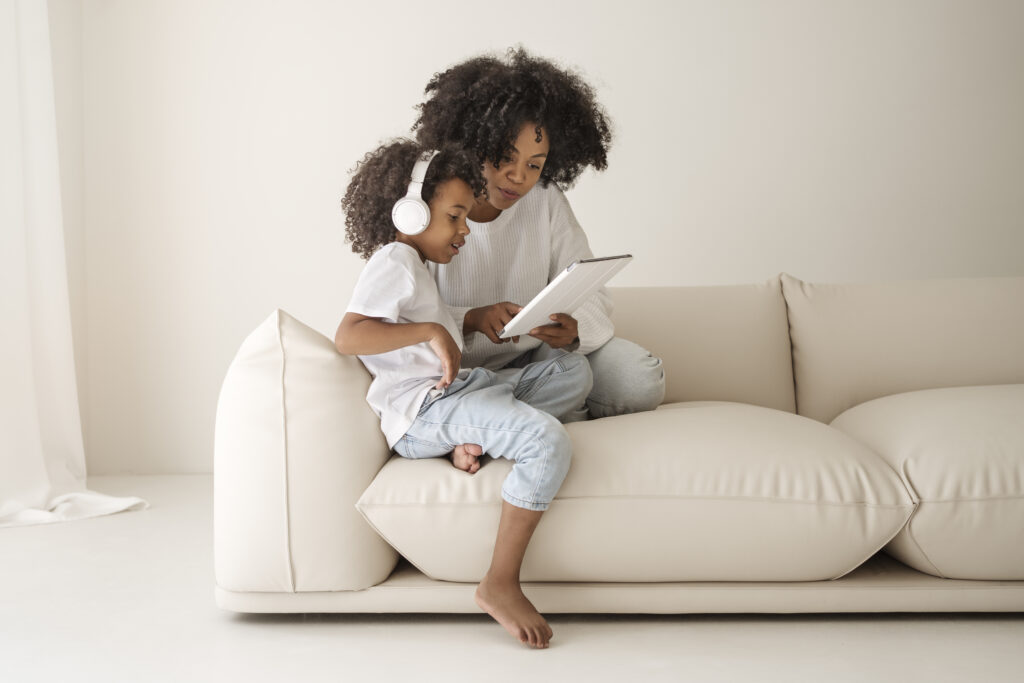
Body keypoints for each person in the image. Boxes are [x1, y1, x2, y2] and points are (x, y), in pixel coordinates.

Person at [335, 140, 592, 649]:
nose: (464, 230)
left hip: (455, 396)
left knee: (572, 371)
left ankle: (470, 439)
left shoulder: (412, 265)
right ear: (410, 213)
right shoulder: (393, 259)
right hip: (424, 409)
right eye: (455, 216)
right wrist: (430, 332)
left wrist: (468, 320)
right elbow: (349, 335)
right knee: (547, 442)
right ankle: (499, 581)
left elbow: (428, 319)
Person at [413, 48, 665, 420]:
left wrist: (574, 332)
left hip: (539, 360)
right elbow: (400, 314)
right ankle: (533, 409)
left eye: (534, 165)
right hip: (454, 371)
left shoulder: (546, 200)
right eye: (505, 158)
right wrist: (472, 317)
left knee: (641, 380)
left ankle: (503, 416)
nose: (519, 177)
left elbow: (592, 294)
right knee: (559, 384)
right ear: (473, 143)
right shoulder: (429, 205)